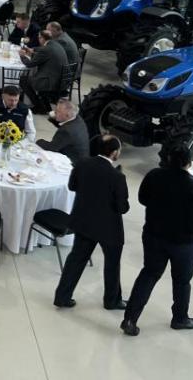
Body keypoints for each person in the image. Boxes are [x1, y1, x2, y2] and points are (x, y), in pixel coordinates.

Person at [121, 144, 193, 336]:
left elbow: (143, 199)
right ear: (189, 163)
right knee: (181, 282)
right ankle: (180, 318)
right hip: (182, 244)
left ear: (169, 159)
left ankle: (130, 319)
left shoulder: (154, 176)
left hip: (154, 236)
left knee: (149, 274)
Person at [54, 133, 129, 311]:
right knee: (112, 264)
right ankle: (112, 301)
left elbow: (72, 186)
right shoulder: (117, 177)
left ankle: (62, 296)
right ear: (113, 153)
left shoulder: (82, 164)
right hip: (109, 228)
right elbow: (122, 208)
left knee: (76, 260)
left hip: (84, 222)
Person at [20, 29, 68, 113]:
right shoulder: (55, 44)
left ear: (42, 38)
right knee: (32, 77)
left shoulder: (45, 49)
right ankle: (45, 106)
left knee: (24, 80)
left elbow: (30, 64)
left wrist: (22, 56)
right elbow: (43, 51)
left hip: (50, 81)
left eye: (39, 38)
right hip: (60, 79)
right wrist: (33, 50)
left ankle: (38, 106)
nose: (39, 40)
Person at [38, 98, 89, 163]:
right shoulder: (77, 118)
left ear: (67, 115)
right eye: (56, 109)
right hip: (82, 157)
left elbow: (52, 148)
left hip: (73, 164)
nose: (55, 112)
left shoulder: (67, 131)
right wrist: (53, 117)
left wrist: (39, 141)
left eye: (58, 111)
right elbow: (64, 123)